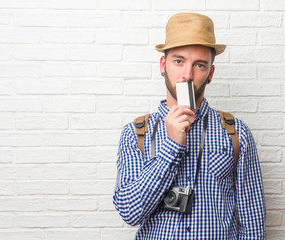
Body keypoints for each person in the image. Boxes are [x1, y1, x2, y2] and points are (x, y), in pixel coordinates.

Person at [113, 12, 266, 239]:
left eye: (200, 65)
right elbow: (130, 212)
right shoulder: (136, 133)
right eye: (178, 61)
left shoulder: (236, 133)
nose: (187, 74)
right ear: (163, 65)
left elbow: (252, 219)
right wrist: (171, 147)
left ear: (211, 73)